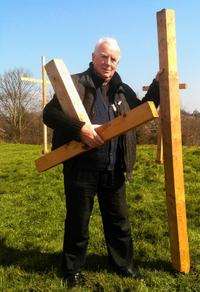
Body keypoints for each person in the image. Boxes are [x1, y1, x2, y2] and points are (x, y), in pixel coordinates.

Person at [43, 37, 160, 287]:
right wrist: (80, 129)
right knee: (78, 220)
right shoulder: (74, 83)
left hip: (114, 166)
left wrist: (158, 85)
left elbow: (141, 110)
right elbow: (49, 114)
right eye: (104, 56)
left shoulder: (122, 88)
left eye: (114, 59)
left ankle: (122, 264)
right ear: (93, 56)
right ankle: (71, 269)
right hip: (81, 167)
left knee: (119, 220)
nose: (108, 63)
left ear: (118, 62)